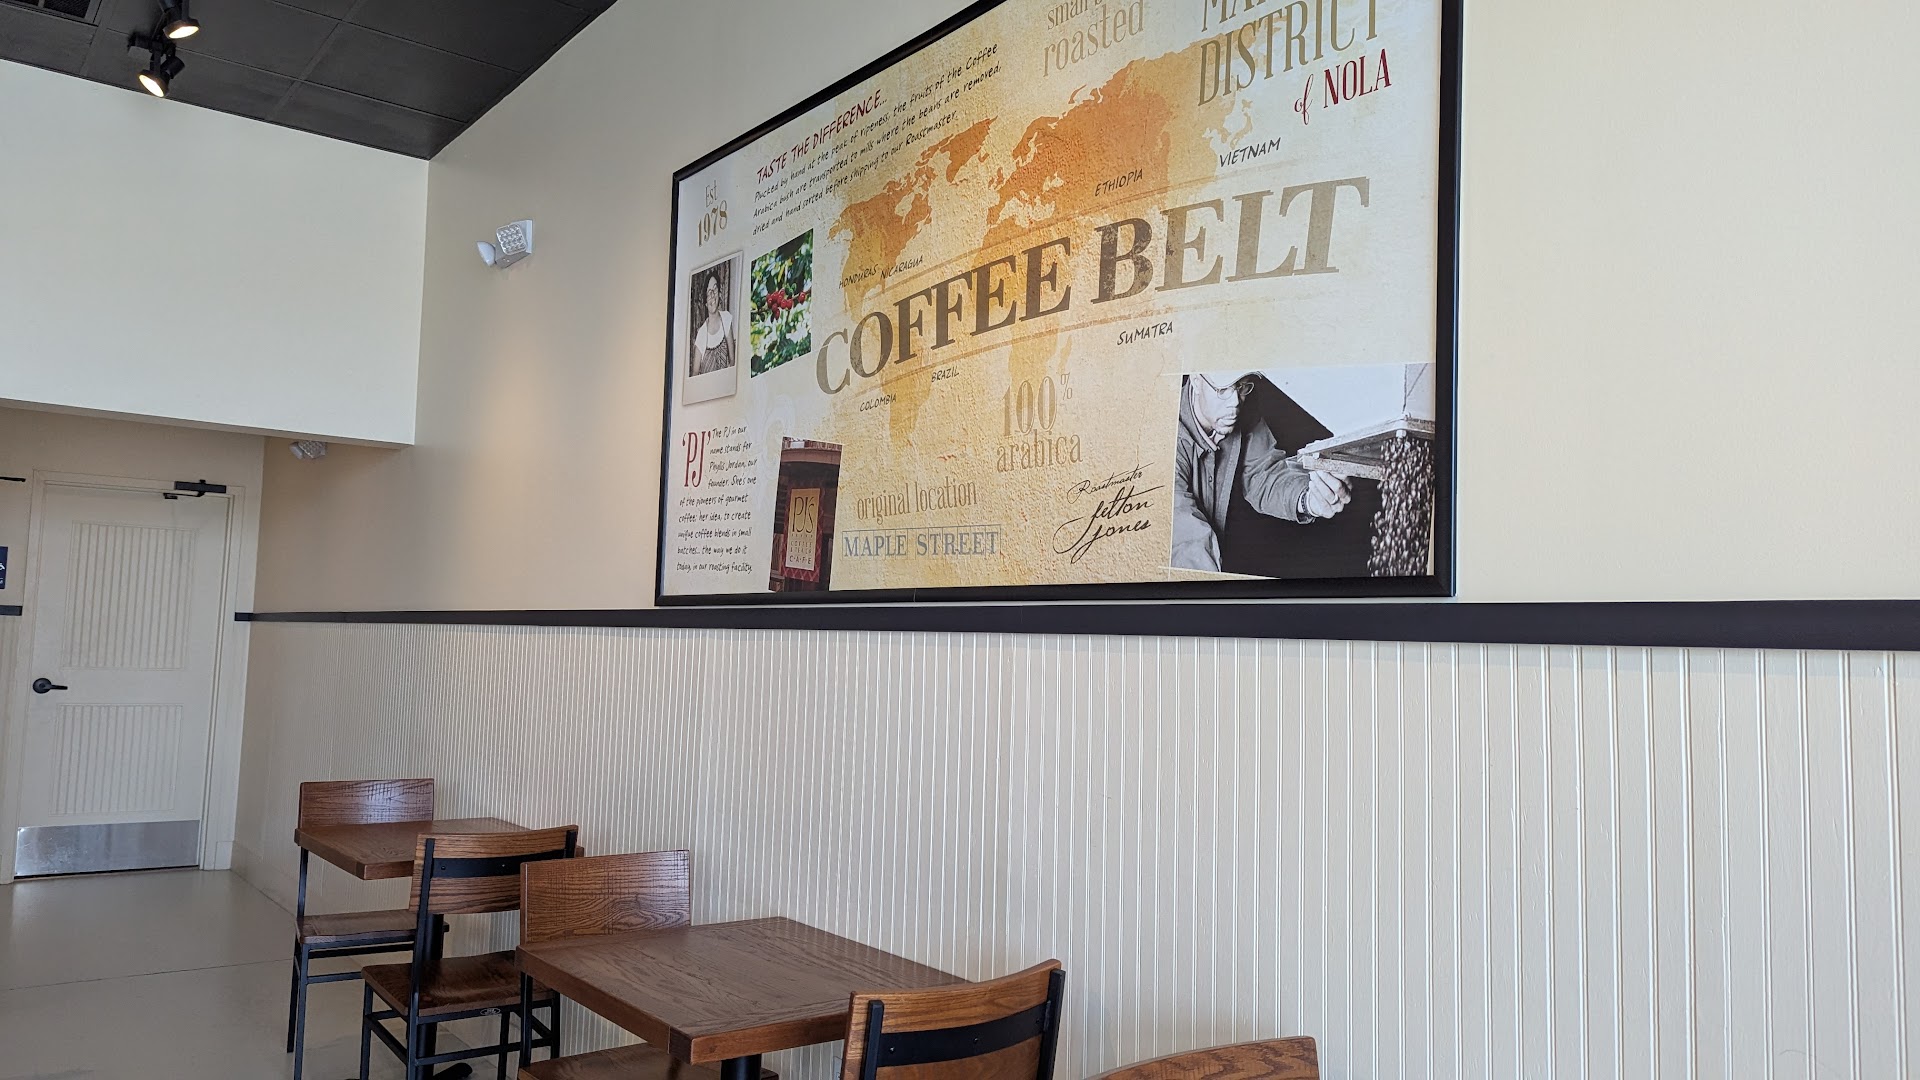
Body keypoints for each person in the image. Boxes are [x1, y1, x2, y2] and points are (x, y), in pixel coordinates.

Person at [1172, 371, 1351, 573]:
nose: (1235, 403)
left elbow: (1263, 473)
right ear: (1196, 380)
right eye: (1223, 389)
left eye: (1242, 386)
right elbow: (1181, 529)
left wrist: (1308, 499)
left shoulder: (1242, 406)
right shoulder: (1161, 432)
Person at [691, 272, 734, 375]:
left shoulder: (726, 318)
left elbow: (732, 360)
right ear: (705, 302)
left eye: (715, 289)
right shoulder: (701, 334)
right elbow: (694, 373)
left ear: (719, 294)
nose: (712, 295)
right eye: (709, 292)